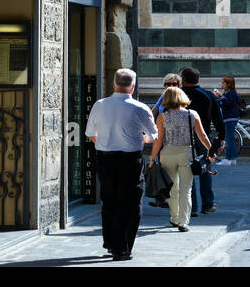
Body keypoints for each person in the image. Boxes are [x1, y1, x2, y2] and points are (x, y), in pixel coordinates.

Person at [85, 67, 157, 261]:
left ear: (114, 84)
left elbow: (91, 133)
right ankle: (122, 247)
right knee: (131, 203)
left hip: (104, 157)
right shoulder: (140, 108)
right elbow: (152, 136)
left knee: (109, 201)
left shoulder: (100, 105)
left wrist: (105, 142)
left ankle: (111, 242)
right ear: (132, 86)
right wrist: (140, 139)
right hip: (129, 160)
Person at [148, 85, 212, 232]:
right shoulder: (192, 114)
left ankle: (175, 218)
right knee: (186, 189)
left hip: (167, 153)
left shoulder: (162, 116)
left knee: (171, 188)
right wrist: (210, 150)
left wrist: (152, 158)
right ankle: (184, 222)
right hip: (186, 153)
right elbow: (202, 136)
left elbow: (158, 140)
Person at [181, 66, 224, 214]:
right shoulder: (208, 95)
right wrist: (221, 139)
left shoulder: (178, 95)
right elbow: (218, 119)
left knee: (187, 171)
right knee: (206, 168)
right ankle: (208, 204)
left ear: (183, 79)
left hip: (183, 137)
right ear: (198, 79)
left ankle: (191, 207)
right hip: (204, 135)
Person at [213, 75, 245, 166]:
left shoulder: (231, 93)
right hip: (229, 118)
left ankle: (228, 159)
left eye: (223, 82)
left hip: (230, 118)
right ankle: (232, 159)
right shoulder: (228, 92)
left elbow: (229, 103)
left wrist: (220, 96)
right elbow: (224, 103)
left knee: (229, 139)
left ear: (228, 84)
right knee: (230, 139)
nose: (221, 84)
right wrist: (218, 97)